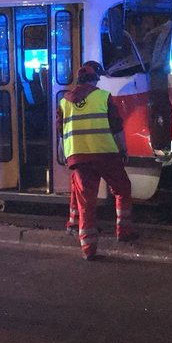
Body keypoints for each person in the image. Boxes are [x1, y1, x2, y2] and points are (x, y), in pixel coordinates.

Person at [57, 61, 136, 261]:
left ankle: (88, 248)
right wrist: (124, 149)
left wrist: (65, 154)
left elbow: (61, 132)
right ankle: (123, 231)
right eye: (98, 79)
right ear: (94, 80)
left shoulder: (64, 102)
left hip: (78, 157)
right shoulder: (103, 97)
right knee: (122, 189)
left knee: (86, 202)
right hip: (106, 154)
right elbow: (116, 127)